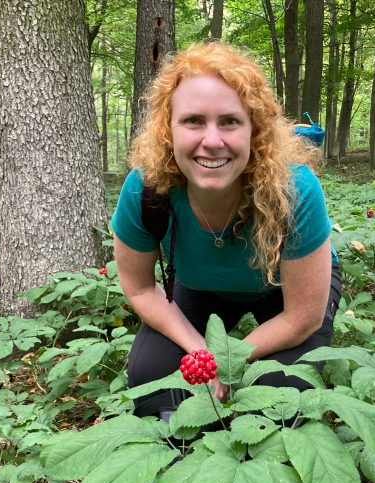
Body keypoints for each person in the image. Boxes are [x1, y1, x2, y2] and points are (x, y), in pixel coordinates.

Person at [111, 42, 341, 419]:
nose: (212, 141)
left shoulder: (294, 190)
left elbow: (303, 317)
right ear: (168, 130)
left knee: (281, 393)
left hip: (286, 290)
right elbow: (139, 287)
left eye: (230, 121)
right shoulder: (146, 191)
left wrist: (229, 360)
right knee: (151, 378)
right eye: (193, 121)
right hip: (204, 288)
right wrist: (200, 351)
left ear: (255, 131)